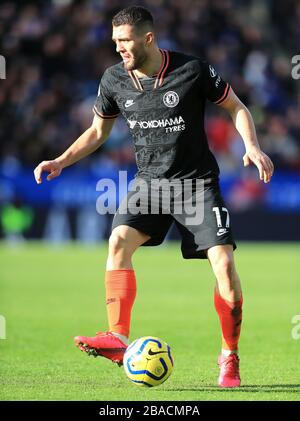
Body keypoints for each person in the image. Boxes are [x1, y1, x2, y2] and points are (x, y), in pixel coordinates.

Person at [34, 6, 274, 388]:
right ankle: (117, 336)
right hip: (150, 184)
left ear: (148, 38)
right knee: (117, 242)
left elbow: (236, 106)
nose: (118, 49)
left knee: (225, 268)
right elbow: (98, 132)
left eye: (125, 41)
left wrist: (253, 146)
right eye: (115, 42)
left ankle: (229, 355)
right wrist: (61, 161)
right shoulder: (113, 80)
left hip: (196, 184)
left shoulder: (192, 70)